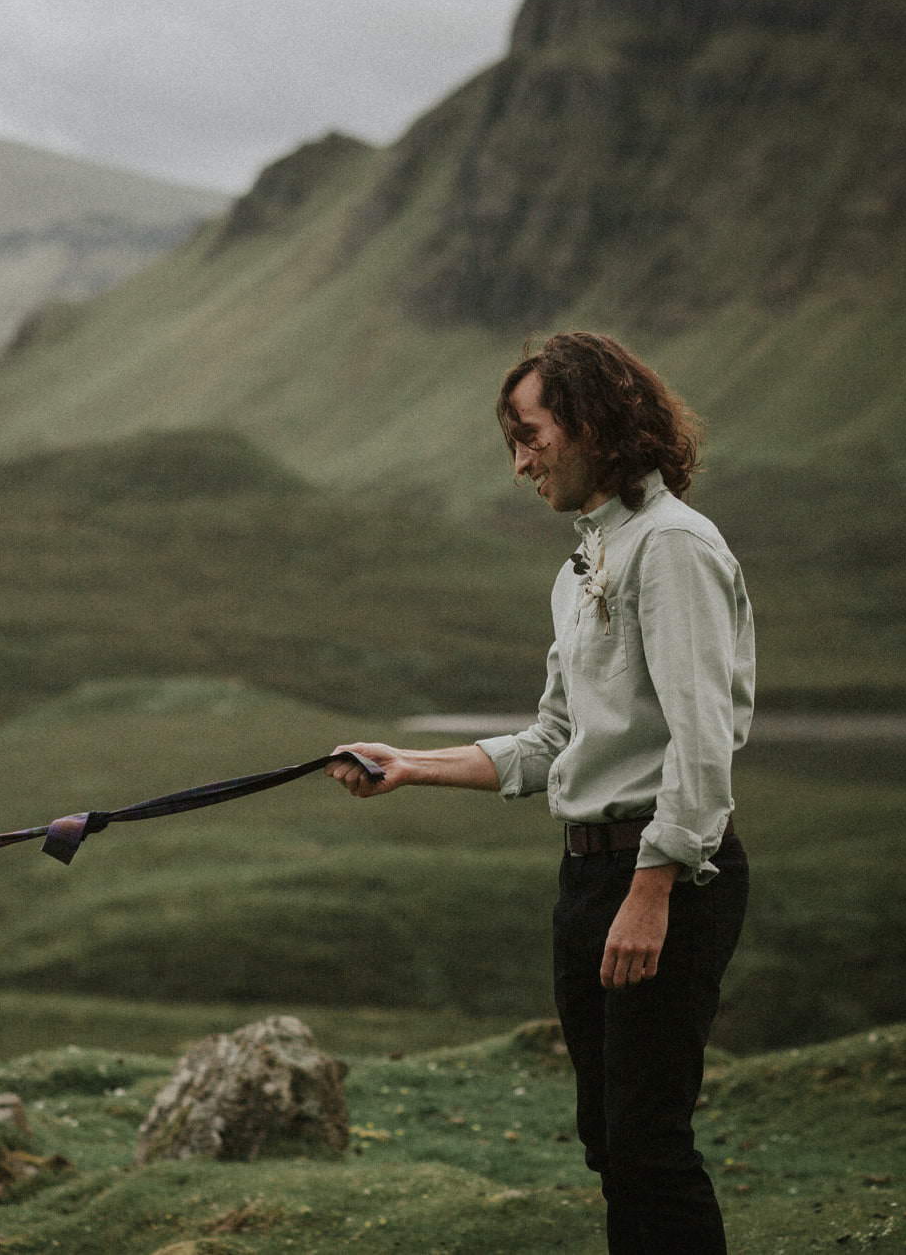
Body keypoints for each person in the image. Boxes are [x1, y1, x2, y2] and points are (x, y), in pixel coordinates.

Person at [330, 332, 753, 1254]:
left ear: (593, 422)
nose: (520, 464)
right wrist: (410, 764)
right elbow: (552, 742)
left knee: (648, 1144)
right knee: (611, 1140)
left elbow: (702, 738)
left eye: (530, 437)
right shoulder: (584, 564)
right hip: (590, 879)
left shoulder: (672, 546)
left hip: (663, 875)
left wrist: (653, 887)